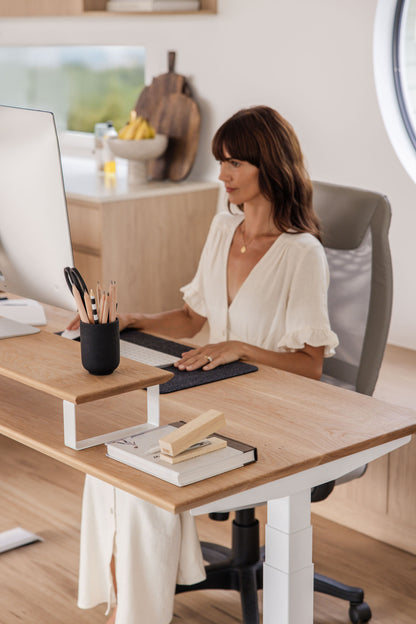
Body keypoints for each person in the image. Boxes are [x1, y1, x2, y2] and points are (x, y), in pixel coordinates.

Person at [72, 105, 338, 624]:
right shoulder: (223, 228)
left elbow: (311, 367)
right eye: (221, 162)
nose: (222, 176)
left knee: (143, 478)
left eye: (235, 163)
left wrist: (237, 347)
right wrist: (139, 320)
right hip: (208, 393)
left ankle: (138, 613)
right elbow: (195, 315)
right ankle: (119, 599)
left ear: (270, 166)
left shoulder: (302, 253)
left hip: (269, 407)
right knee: (107, 457)